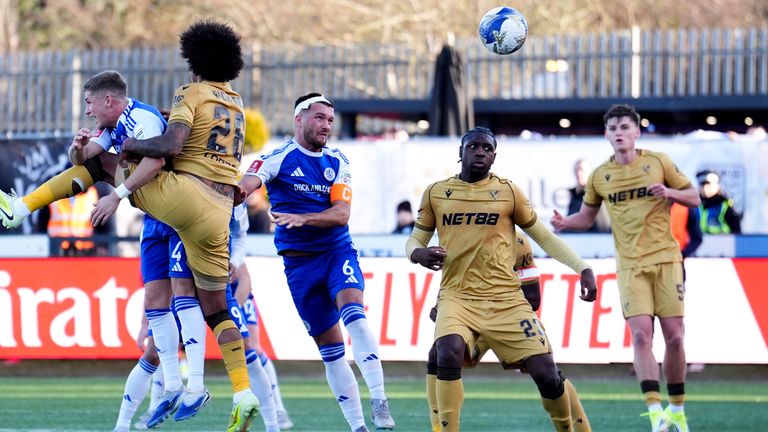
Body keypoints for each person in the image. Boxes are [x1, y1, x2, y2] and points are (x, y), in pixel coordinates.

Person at [102, 21, 260, 431]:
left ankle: (23, 206)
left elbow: (170, 146)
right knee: (217, 309)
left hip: (186, 200)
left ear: (195, 61)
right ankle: (242, 392)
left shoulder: (190, 92)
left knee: (108, 165)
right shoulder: (236, 102)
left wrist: (129, 145)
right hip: (220, 212)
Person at [407, 126, 597, 432]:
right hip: (458, 297)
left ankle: (570, 427)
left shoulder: (508, 193)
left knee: (548, 375)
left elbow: (544, 238)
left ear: (494, 156)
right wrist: (417, 254)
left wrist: (582, 268)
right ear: (460, 152)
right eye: (473, 146)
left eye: (487, 148)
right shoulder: (436, 192)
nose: (480, 152)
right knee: (445, 352)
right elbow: (417, 238)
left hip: (506, 301)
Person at [238, 93, 396, 432]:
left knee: (355, 314)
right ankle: (358, 426)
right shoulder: (277, 158)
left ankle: (379, 399)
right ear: (299, 119)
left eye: (330, 120)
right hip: (299, 267)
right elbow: (243, 188)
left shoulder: (338, 161)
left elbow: (342, 214)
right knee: (331, 350)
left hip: (337, 253)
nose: (326, 125)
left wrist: (303, 218)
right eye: (319, 117)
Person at [551, 104, 700, 432]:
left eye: (625, 127)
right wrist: (565, 222)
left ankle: (677, 408)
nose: (619, 132)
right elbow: (586, 217)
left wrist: (669, 192)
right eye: (613, 128)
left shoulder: (658, 162)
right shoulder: (600, 176)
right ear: (606, 134)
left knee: (675, 337)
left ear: (637, 132)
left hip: (667, 261)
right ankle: (656, 413)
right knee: (641, 335)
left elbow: (694, 197)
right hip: (630, 266)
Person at [424, 231, 592, 432]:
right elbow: (454, 281)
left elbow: (533, 298)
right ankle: (438, 429)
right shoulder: (457, 234)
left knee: (548, 375)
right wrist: (441, 306)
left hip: (509, 315)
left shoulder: (517, 242)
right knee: (438, 355)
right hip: (468, 317)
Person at [565, 159, 610, 233]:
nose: (579, 173)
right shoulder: (575, 195)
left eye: (581, 170)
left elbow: (603, 226)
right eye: (576, 170)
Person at [696, 170, 741, 234]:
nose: (705, 187)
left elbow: (737, 233)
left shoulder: (725, 207)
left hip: (722, 240)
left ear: (717, 186)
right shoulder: (693, 206)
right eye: (702, 184)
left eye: (709, 184)